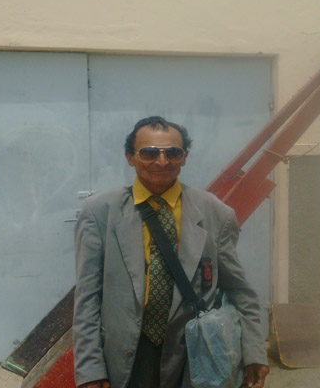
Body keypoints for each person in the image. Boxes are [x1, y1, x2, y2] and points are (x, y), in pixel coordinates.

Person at [73, 116, 269, 388]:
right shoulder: (99, 213)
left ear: (184, 158)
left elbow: (239, 290)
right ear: (130, 157)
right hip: (126, 356)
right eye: (149, 153)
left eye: (173, 153)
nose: (162, 161)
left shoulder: (214, 213)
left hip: (193, 356)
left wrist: (254, 353)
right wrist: (90, 370)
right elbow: (87, 297)